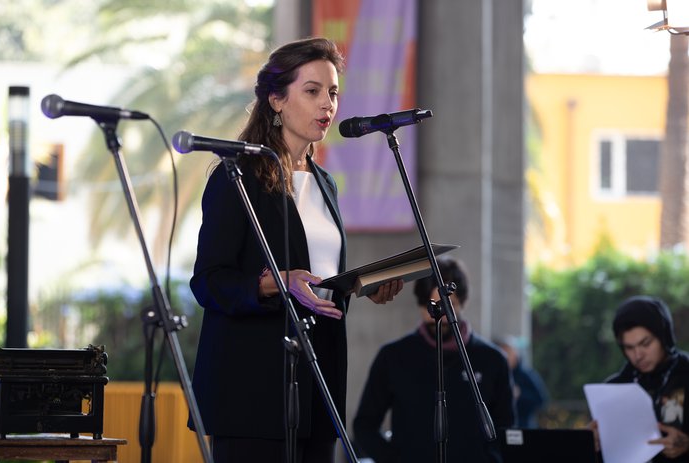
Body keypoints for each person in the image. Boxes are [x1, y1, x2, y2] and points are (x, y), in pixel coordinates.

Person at [188, 37, 402, 463]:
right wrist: (273, 284)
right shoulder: (237, 176)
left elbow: (318, 279)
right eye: (313, 91)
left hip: (318, 383)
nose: (328, 104)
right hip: (253, 389)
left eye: (333, 92)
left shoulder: (325, 183)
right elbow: (208, 282)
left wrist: (361, 286)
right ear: (276, 100)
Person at [353, 256, 515, 462]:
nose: (438, 316)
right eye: (429, 307)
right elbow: (364, 426)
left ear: (462, 302)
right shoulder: (393, 357)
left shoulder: (493, 360)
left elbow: (505, 428)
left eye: (448, 305)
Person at [590, 295, 689, 462]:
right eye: (629, 347)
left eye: (646, 343)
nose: (638, 355)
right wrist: (591, 443)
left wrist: (687, 445)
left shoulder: (685, 375)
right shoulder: (614, 388)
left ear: (664, 337)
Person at [494, 336, 549, 429]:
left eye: (508, 352)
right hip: (502, 426)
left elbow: (541, 399)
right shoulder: (497, 374)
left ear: (515, 353)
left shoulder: (527, 374)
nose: (505, 356)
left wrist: (520, 395)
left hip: (523, 425)